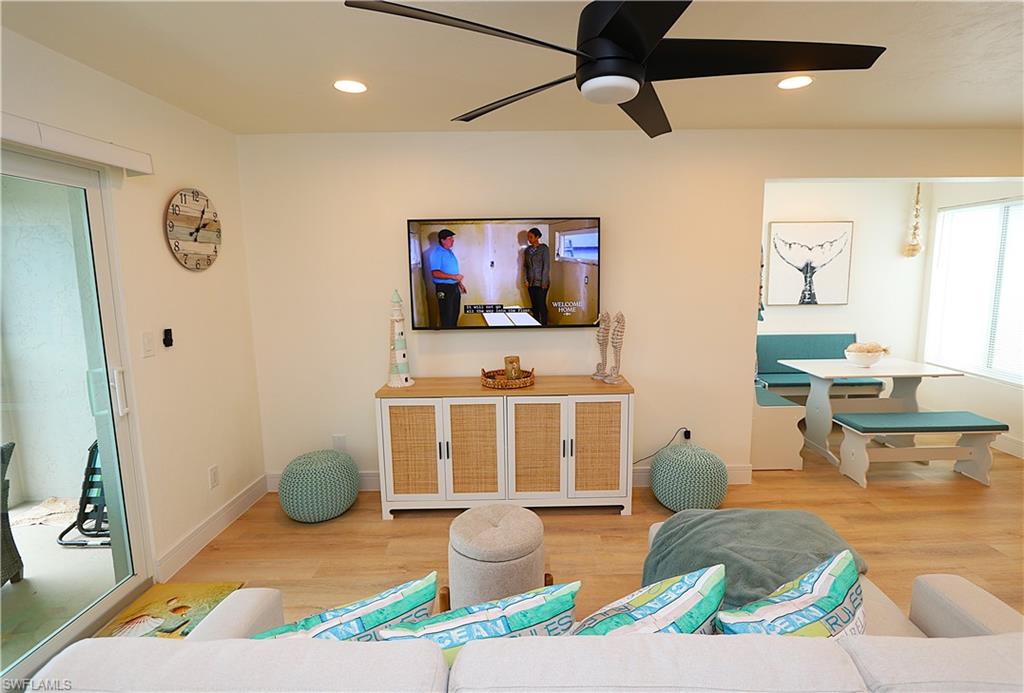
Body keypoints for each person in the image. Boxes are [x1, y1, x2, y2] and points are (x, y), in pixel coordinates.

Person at [429, 229, 464, 328]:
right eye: (450, 239)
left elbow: (452, 271)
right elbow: (435, 273)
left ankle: (453, 336)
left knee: (454, 314)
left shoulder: (449, 252)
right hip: (444, 288)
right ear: (442, 240)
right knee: (446, 316)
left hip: (454, 287)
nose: (453, 240)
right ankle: (447, 339)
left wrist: (459, 283)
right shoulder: (437, 253)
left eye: (453, 238)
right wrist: (454, 277)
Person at [523, 227, 550, 326]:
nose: (529, 239)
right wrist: (525, 279)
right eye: (528, 237)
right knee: (534, 306)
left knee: (541, 305)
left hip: (542, 282)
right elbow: (525, 266)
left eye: (531, 237)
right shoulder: (527, 250)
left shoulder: (544, 249)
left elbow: (546, 266)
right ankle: (536, 324)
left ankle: (544, 325)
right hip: (531, 282)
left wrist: (544, 282)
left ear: (537, 237)